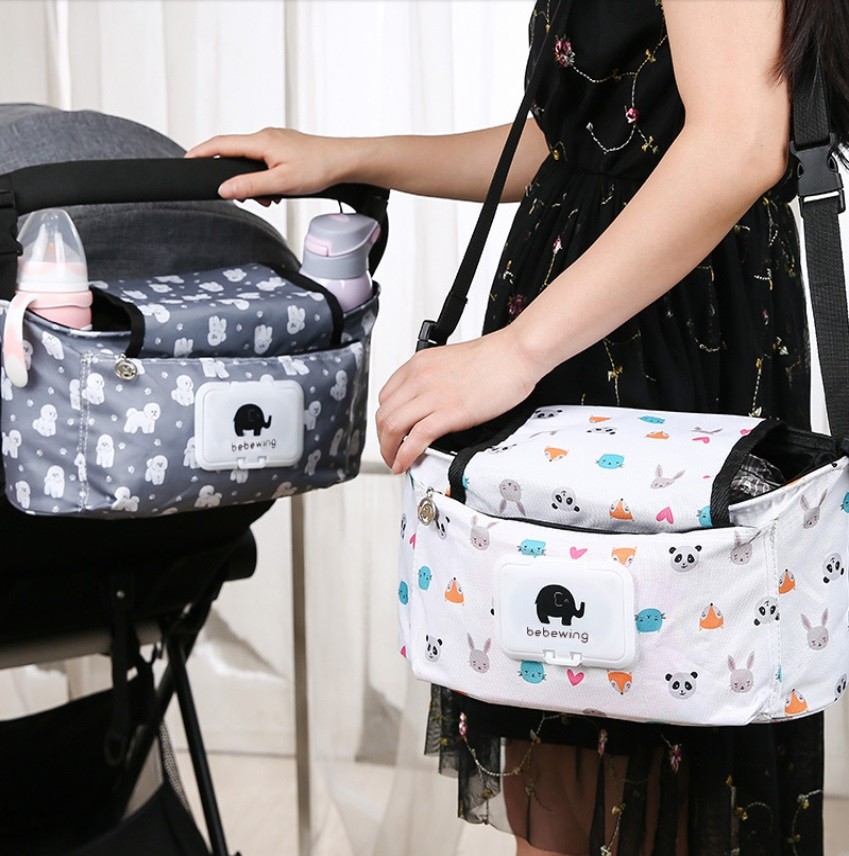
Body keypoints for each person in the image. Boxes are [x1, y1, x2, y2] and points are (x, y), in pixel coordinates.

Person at [188, 0, 849, 852]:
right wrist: (352, 155)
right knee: (578, 718)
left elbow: (739, 142)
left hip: (652, 335)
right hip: (595, 322)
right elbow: (580, 141)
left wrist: (516, 352)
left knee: (633, 738)